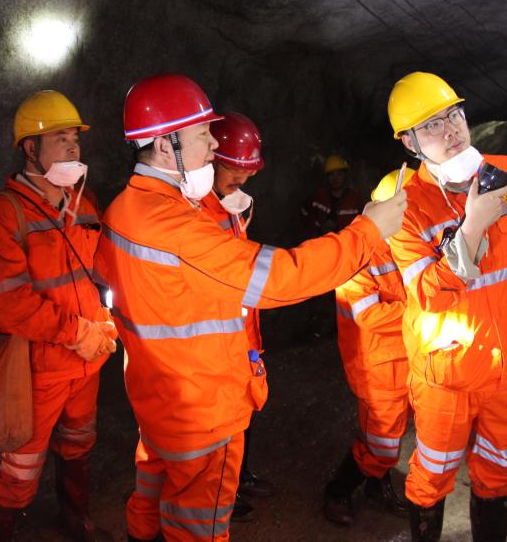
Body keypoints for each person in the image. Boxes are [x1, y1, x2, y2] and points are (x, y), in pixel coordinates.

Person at [94, 73, 407, 542]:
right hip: (203, 411)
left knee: (151, 497)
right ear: (163, 146)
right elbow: (280, 278)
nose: (212, 146)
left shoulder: (122, 211)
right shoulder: (176, 225)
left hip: (157, 399)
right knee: (197, 528)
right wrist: (368, 232)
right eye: (203, 134)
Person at [385, 72, 507, 542]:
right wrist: (473, 225)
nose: (451, 130)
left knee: (501, 469)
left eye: (453, 115)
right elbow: (428, 295)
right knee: (432, 475)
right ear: (409, 142)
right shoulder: (406, 209)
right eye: (431, 125)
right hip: (448, 375)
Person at [0, 90, 117, 541]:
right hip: (38, 371)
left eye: (75, 138)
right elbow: (10, 306)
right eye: (59, 139)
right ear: (30, 149)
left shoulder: (86, 205)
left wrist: (106, 319)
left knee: (79, 444)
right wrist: (77, 333)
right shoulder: (2, 216)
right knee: (20, 468)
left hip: (87, 362)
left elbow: (102, 274)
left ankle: (75, 519)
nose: (73, 148)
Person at [323, 168, 414, 527]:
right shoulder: (357, 251)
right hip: (378, 366)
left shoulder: (412, 241)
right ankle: (338, 491)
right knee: (381, 440)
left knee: (394, 432)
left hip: (407, 357)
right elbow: (369, 316)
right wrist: (425, 311)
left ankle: (377, 486)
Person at [200, 112, 272, 523]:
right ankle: (220, 496)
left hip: (242, 336)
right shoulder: (197, 216)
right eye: (234, 169)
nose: (242, 179)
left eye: (248, 171)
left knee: (243, 415)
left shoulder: (230, 208)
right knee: (220, 427)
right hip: (218, 346)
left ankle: (238, 479)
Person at [301, 154, 367, 237]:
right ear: (327, 177)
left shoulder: (355, 200)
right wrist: (318, 230)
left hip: (345, 243)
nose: (335, 178)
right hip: (321, 241)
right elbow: (305, 216)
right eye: (331, 174)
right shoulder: (319, 196)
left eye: (339, 174)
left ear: (345, 176)